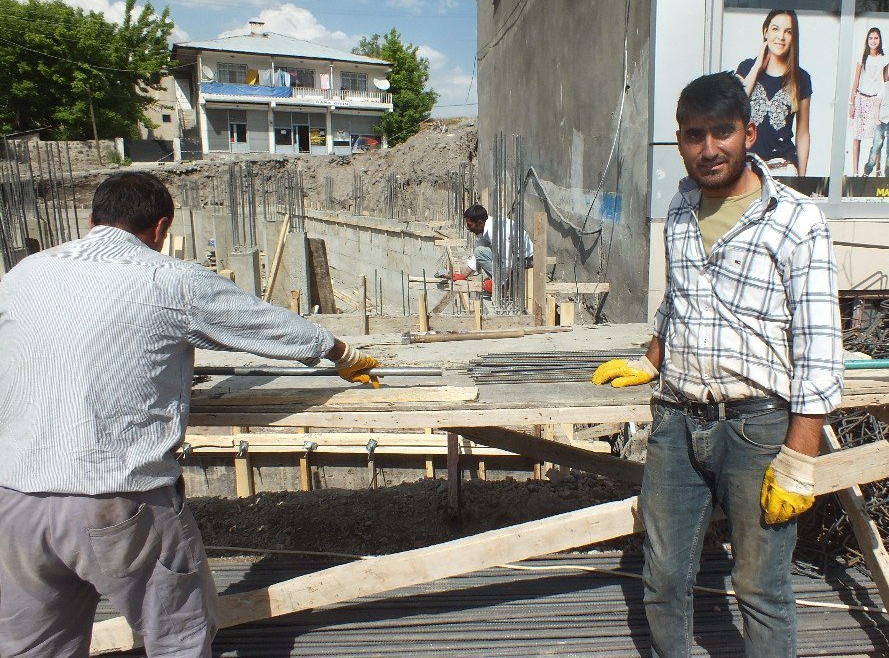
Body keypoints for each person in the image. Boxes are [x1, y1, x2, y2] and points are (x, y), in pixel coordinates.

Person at [0, 173, 379, 657]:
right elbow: (268, 326)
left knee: (32, 646)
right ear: (159, 229)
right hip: (114, 495)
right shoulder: (168, 279)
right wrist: (339, 351)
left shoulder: (25, 273)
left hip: (13, 498)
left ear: (91, 221)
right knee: (178, 633)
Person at [593, 73, 843, 658]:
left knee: (760, 587)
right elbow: (678, 299)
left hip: (756, 427)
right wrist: (650, 361)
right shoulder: (680, 209)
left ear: (748, 132)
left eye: (722, 133)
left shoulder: (797, 220)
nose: (709, 149)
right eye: (694, 135)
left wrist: (800, 458)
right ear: (680, 141)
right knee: (665, 580)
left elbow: (819, 344)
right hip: (678, 421)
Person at [735, 9, 811, 177]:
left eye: (788, 32)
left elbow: (803, 132)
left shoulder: (802, 78)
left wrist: (802, 179)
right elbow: (733, 105)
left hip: (783, 166)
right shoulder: (746, 68)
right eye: (775, 29)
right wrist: (757, 67)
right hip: (747, 166)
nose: (781, 37)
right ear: (765, 31)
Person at [448, 204, 534, 287]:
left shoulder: (495, 231)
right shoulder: (487, 226)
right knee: (480, 251)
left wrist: (499, 283)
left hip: (524, 262)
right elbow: (477, 254)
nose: (468, 228)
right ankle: (500, 281)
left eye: (470, 225)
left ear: (480, 223)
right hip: (514, 259)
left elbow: (507, 261)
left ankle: (504, 285)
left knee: (481, 252)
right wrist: (464, 275)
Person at [849, 27, 889, 175]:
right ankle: (855, 171)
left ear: (880, 40)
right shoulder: (862, 57)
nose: (873, 41)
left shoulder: (884, 59)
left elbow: (886, 81)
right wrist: (851, 104)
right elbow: (856, 81)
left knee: (876, 137)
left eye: (876, 38)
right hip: (860, 99)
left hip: (875, 102)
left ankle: (877, 171)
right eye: (871, 38)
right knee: (857, 136)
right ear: (867, 40)